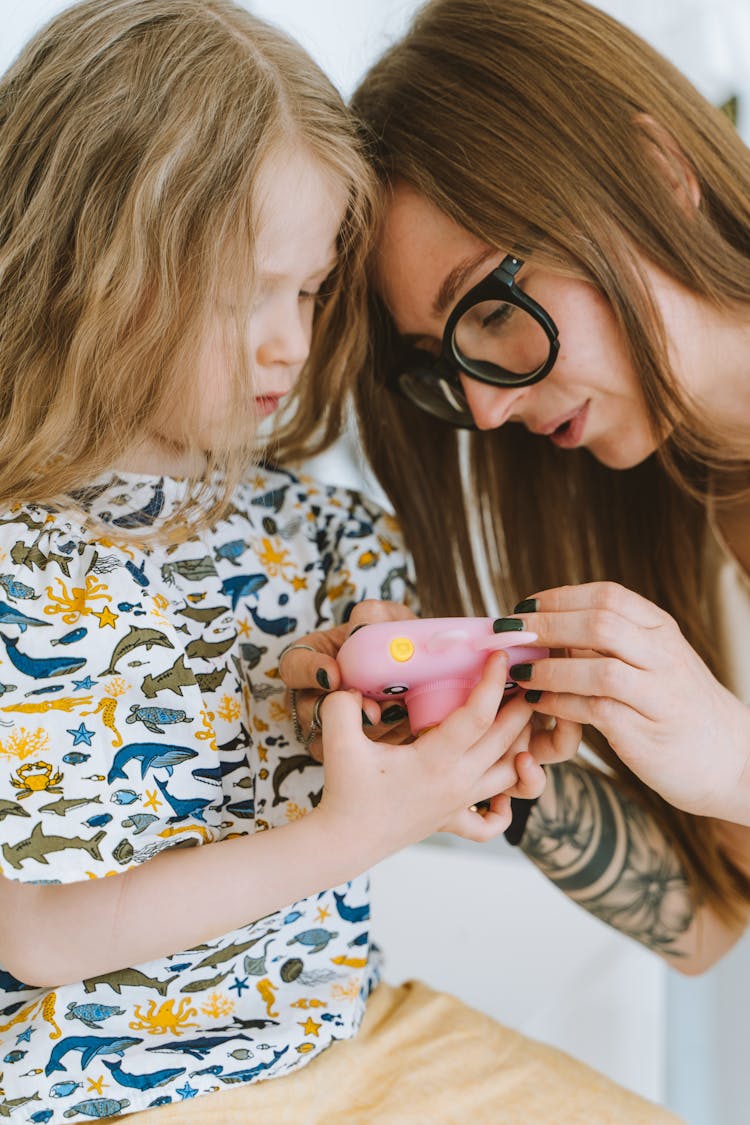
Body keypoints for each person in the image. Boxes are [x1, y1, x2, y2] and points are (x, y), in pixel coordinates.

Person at [0, 3, 679, 1123]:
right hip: (91, 1090)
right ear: (86, 261)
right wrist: (358, 829)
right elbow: (36, 937)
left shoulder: (327, 536)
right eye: (242, 291)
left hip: (346, 1043)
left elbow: (394, 776)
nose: (292, 343)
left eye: (312, 289)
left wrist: (451, 752)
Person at [277, 0, 750, 978]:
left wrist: (738, 763)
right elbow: (710, 920)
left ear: (658, 176)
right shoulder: (673, 502)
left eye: (487, 311)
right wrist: (481, 760)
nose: (487, 415)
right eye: (441, 371)